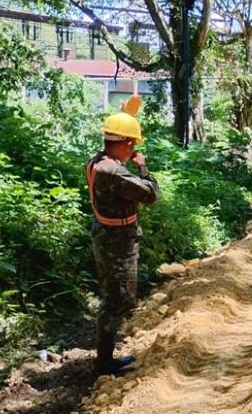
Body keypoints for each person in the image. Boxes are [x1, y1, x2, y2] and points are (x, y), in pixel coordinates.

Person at [86, 98, 160, 376]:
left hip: (107, 233)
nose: (134, 149)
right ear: (127, 144)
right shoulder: (113, 171)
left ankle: (105, 357)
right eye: (132, 144)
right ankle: (105, 363)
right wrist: (143, 168)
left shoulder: (96, 161)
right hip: (117, 240)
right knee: (117, 298)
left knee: (114, 295)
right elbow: (151, 194)